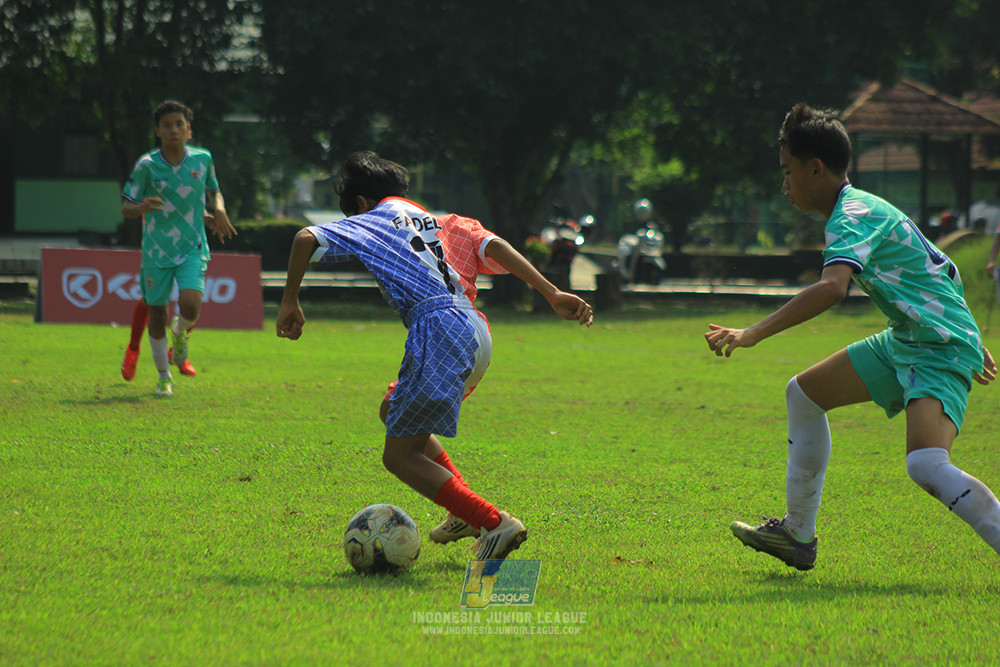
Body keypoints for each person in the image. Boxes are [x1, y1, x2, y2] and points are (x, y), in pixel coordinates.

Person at [704, 103, 1000, 570]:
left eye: (787, 171)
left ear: (815, 168)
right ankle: (797, 536)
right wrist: (964, 328)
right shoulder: (863, 206)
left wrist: (753, 332)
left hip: (935, 348)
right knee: (803, 395)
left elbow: (831, 288)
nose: (784, 184)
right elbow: (941, 268)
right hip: (914, 339)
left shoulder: (851, 216)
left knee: (925, 464)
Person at [276, 151, 593, 561]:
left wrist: (289, 302)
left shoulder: (373, 220)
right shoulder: (441, 221)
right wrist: (551, 292)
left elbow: (305, 238)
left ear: (360, 204)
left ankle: (493, 522)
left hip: (439, 329)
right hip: (475, 330)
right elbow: (494, 246)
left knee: (399, 456)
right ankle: (461, 514)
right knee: (393, 409)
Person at [121, 100, 236, 396]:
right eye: (167, 125)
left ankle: (180, 333)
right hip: (156, 251)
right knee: (156, 314)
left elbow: (214, 190)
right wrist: (142, 206)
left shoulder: (203, 159)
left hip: (192, 246)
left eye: (179, 124)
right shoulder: (146, 165)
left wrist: (219, 210)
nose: (174, 130)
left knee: (190, 306)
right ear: (158, 131)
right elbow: (126, 206)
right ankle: (163, 377)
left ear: (189, 131)